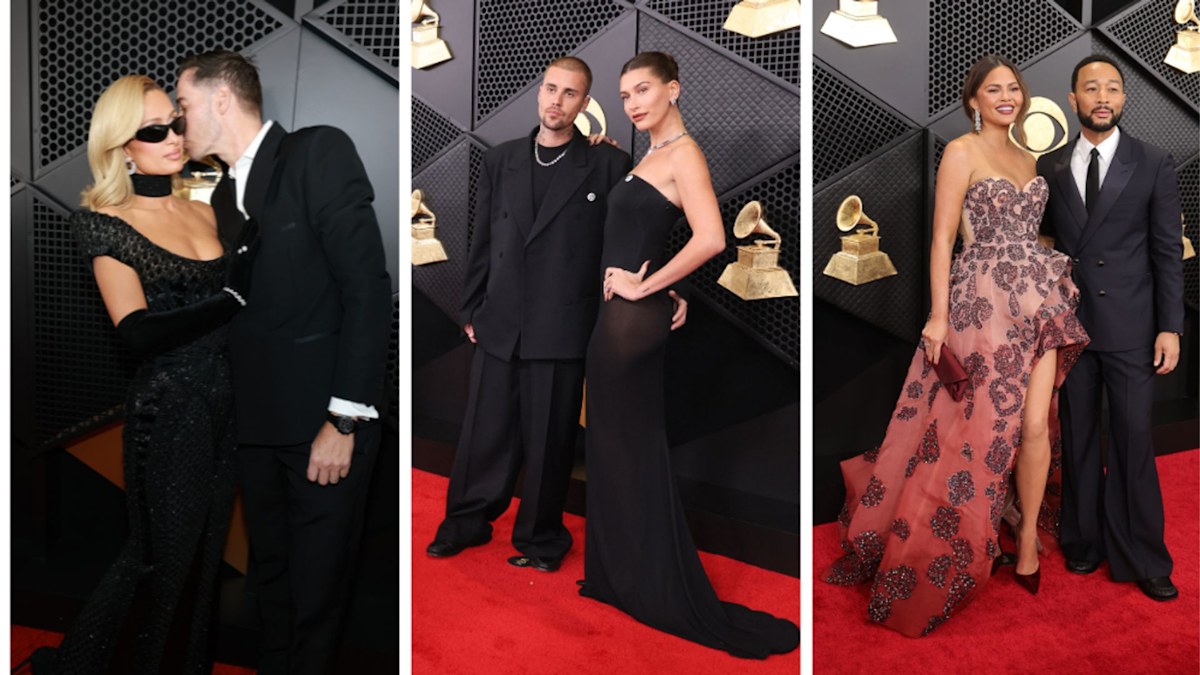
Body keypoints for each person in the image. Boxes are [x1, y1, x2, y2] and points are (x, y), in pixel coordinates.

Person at [822, 54, 1090, 637]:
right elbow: (943, 239)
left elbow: (1031, 232)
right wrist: (939, 317)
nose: (1006, 96)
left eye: (1013, 88)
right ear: (974, 101)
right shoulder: (961, 153)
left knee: (1036, 425)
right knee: (977, 430)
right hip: (982, 303)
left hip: (1039, 299)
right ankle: (955, 539)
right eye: (994, 89)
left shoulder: (1030, 157)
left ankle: (1025, 539)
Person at [15, 75, 256, 675]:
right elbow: (137, 332)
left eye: (175, 122)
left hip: (227, 406)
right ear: (122, 145)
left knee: (203, 554)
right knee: (158, 559)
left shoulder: (203, 208)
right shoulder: (103, 222)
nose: (173, 137)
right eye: (153, 131)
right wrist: (231, 297)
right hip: (169, 411)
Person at [175, 51, 392, 674]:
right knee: (271, 581)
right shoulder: (221, 195)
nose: (179, 121)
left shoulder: (316, 152)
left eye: (184, 105)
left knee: (317, 591)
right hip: (254, 427)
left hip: (325, 425)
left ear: (221, 99)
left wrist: (344, 419)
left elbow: (367, 290)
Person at [578, 51, 799, 658]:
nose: (633, 103)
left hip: (628, 323)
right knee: (615, 448)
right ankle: (621, 575)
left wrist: (645, 287)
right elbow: (641, 236)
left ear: (673, 90)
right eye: (625, 94)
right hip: (621, 318)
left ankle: (648, 583)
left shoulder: (684, 154)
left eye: (643, 90)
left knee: (629, 448)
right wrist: (668, 289)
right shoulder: (650, 156)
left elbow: (712, 237)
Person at [426, 56, 686, 572]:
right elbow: (483, 240)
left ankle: (541, 538)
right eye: (551, 89)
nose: (557, 101)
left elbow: (635, 230)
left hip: (564, 325)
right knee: (483, 434)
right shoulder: (500, 159)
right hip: (500, 321)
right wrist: (470, 308)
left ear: (585, 104)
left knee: (551, 443)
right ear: (539, 92)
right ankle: (465, 522)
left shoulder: (608, 164)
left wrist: (664, 286)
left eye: (570, 94)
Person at [1037, 55, 1183, 601]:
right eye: (1091, 88)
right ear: (1072, 99)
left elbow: (1167, 251)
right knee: (1076, 435)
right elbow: (1047, 244)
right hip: (1071, 327)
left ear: (1123, 99)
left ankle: (1143, 555)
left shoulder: (1152, 161)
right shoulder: (1050, 165)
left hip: (1132, 325)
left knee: (1132, 440)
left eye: (1113, 88)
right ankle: (1083, 539)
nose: (1103, 97)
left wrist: (1170, 327)